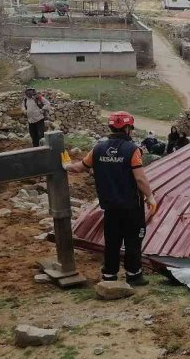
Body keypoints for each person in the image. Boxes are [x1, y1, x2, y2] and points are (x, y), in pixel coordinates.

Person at [64, 111, 156, 286]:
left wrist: (66, 166)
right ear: (128, 128)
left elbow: (80, 167)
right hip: (131, 206)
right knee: (133, 240)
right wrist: (150, 197)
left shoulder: (98, 148)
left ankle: (109, 275)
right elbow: (140, 179)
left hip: (110, 206)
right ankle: (134, 275)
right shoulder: (133, 150)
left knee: (112, 241)